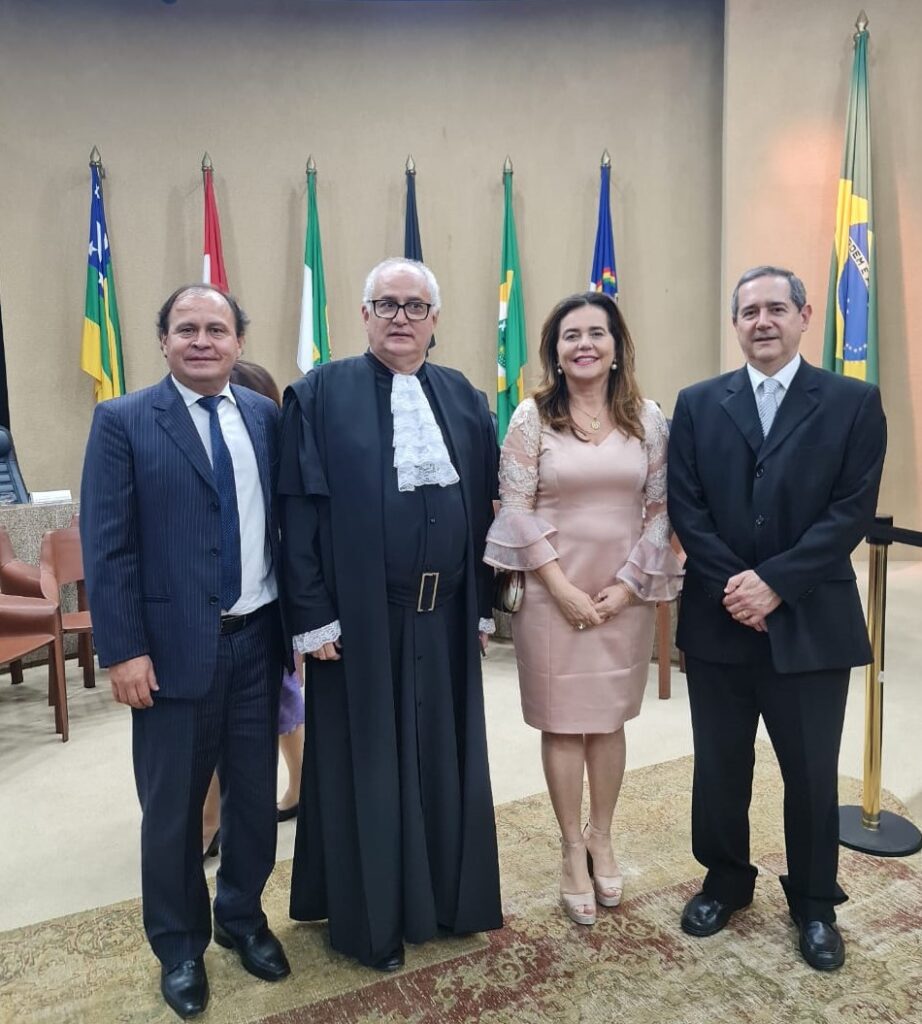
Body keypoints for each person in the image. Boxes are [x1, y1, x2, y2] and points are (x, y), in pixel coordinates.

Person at [279, 257, 503, 971]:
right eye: (386, 304)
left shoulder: (465, 398)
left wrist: (483, 607)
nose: (400, 317)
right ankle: (373, 923)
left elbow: (487, 514)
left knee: (443, 759)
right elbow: (298, 514)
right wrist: (312, 617)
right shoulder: (317, 395)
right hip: (359, 625)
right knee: (368, 767)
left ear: (436, 321)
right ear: (364, 313)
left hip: (446, 620)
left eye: (415, 306)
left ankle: (447, 901)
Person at [81, 286, 292, 1020]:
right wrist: (123, 649)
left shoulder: (266, 416)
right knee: (171, 812)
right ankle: (179, 947)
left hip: (258, 640)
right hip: (169, 655)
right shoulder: (122, 421)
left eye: (217, 329)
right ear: (163, 339)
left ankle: (241, 918)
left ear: (238, 341)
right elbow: (107, 547)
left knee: (253, 802)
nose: (202, 340)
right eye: (187, 329)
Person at [667, 265, 887, 971]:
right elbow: (687, 506)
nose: (762, 321)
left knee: (812, 773)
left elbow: (849, 512)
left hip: (812, 621)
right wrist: (739, 587)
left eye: (775, 309)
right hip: (719, 619)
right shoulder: (699, 404)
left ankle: (816, 904)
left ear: (803, 316)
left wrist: (775, 585)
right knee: (721, 765)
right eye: (748, 311)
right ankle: (726, 879)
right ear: (735, 324)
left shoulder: (853, 402)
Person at [484, 291, 683, 925]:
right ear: (556, 351)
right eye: (571, 335)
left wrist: (626, 587)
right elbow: (514, 507)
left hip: (623, 592)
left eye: (597, 333)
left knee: (608, 721)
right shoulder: (531, 417)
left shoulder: (648, 419)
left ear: (616, 346)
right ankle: (572, 846)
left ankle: (603, 834)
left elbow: (660, 511)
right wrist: (560, 587)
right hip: (552, 594)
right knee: (564, 723)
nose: (585, 344)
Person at [201, 360, 306, 859]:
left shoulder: (270, 427)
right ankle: (213, 817)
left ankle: (297, 788)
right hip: (215, 616)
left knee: (282, 710)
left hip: (271, 612)